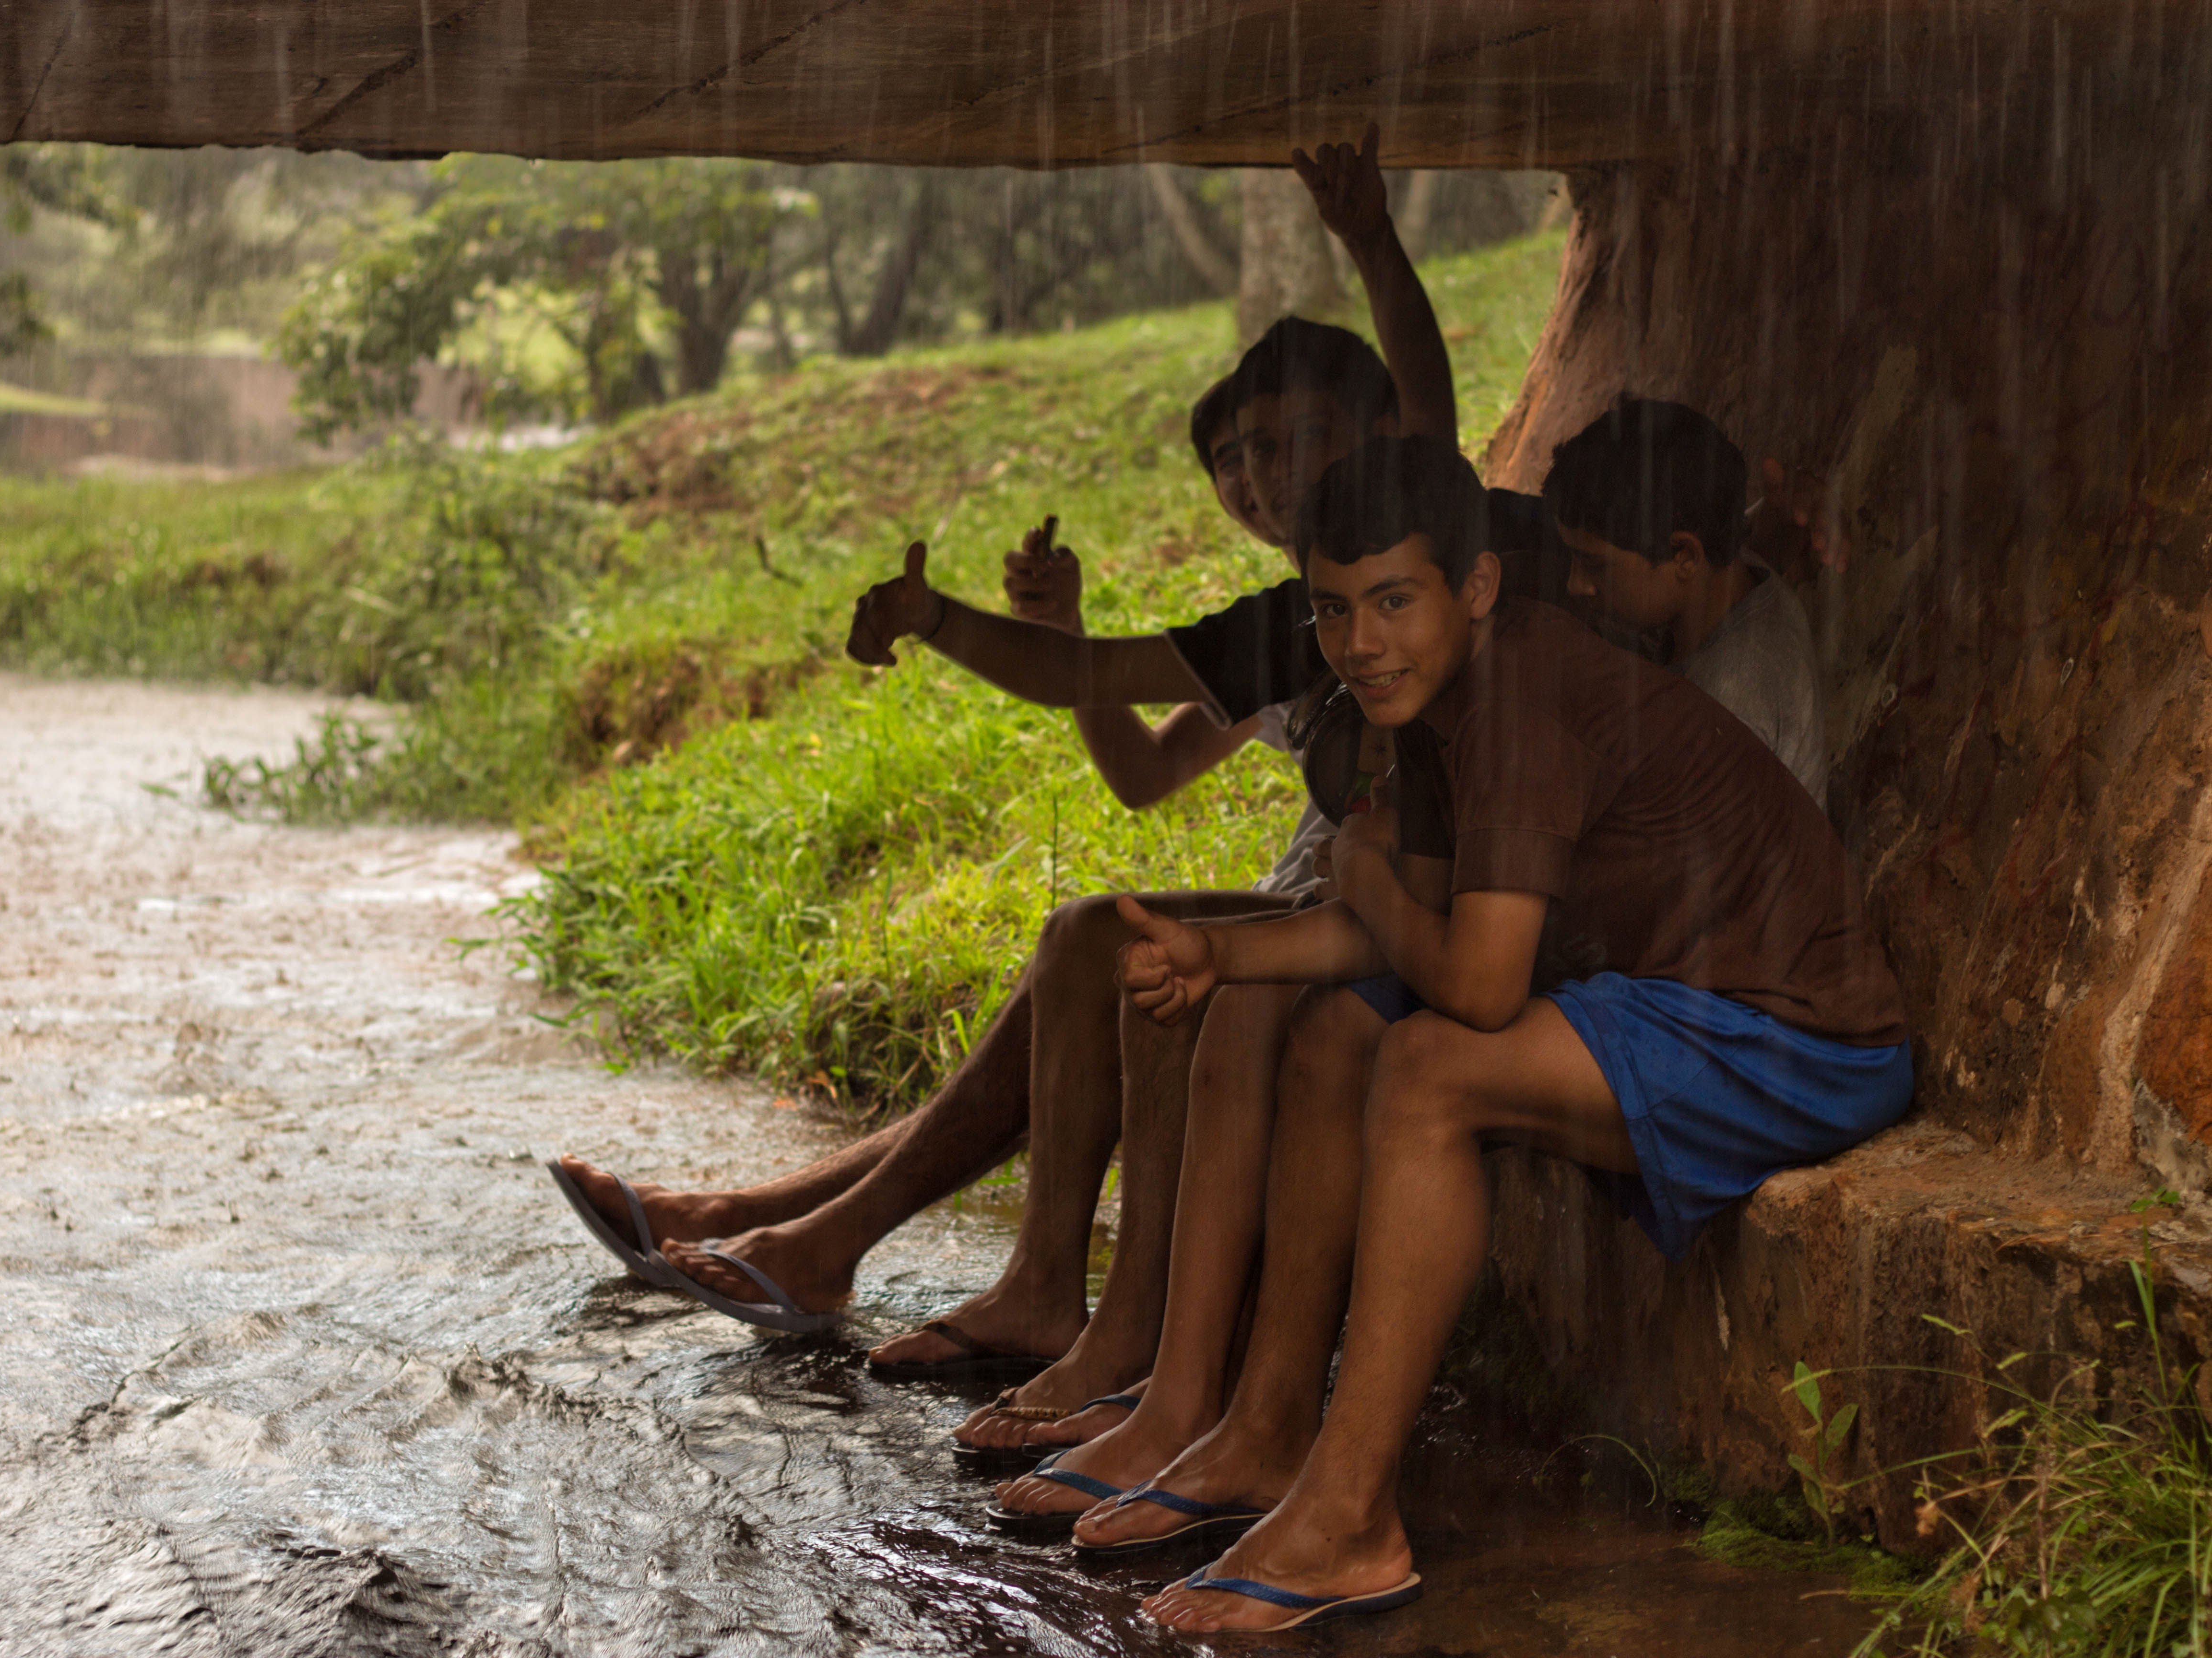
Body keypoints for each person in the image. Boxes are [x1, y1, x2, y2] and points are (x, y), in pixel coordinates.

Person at [1007, 433, 1907, 1631]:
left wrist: (1366, 883)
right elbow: (1385, 930)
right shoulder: (1441, 699)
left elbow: (1476, 986)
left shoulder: (1525, 698)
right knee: (1333, 1034)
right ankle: (1267, 1432)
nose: (1361, 643)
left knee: (1430, 1064)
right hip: (1662, 995)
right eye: (1334, 610)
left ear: (1476, 588)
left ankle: (1352, 1517)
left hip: (1792, 1034)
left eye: (1394, 601)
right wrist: (1224, 954)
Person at [550, 301, 1452, 1385]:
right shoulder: (1295, 613)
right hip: (1314, 904)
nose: (1264, 473)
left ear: (1378, 429)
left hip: (1373, 917)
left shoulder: (1406, 557)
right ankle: (773, 1218)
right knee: (1063, 983)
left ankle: (881, 1253)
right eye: (1236, 455)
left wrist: (1370, 238)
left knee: (1088, 944)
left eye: (1298, 437)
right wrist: (1032, 627)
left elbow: (1431, 407)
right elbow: (1140, 770)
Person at [1549, 393, 1830, 800]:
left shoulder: (1729, 697)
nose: (1576, 584)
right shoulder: (1730, 565)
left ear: (1684, 557)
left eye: (1594, 566)